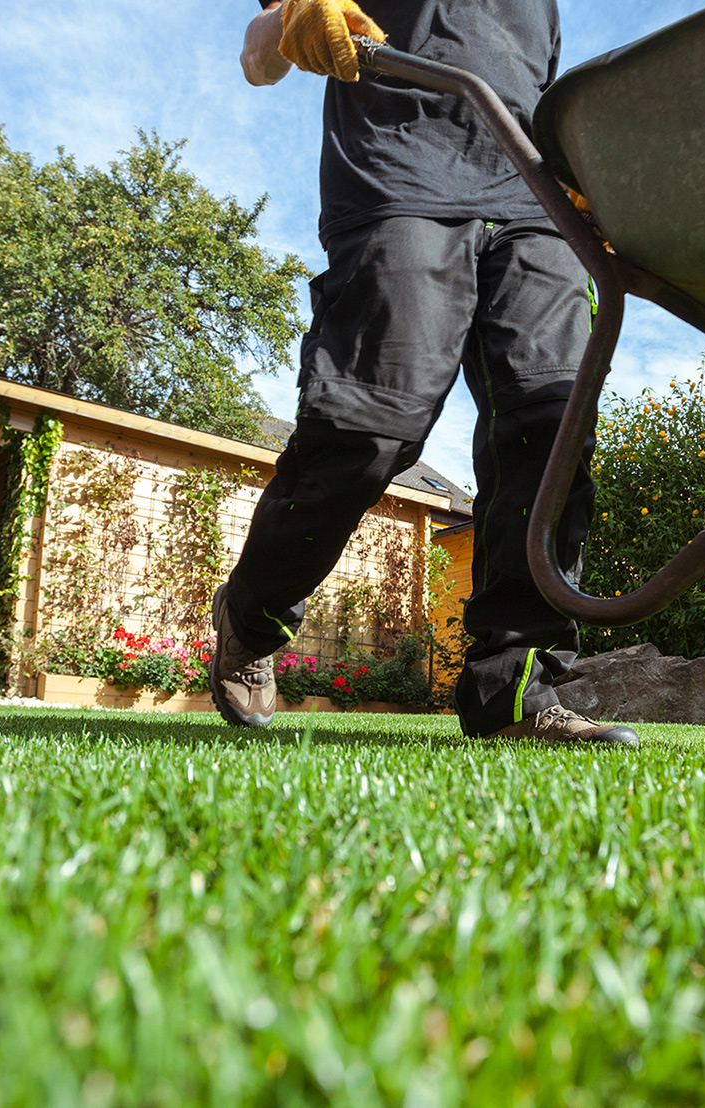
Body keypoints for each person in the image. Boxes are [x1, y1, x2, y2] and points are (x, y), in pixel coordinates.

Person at [213, 0, 637, 746]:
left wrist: (586, 178)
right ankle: (252, 615)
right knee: (369, 426)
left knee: (551, 429)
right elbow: (257, 52)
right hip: (400, 175)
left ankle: (516, 691)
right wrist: (292, 25)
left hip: (536, 203)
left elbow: (538, 92)